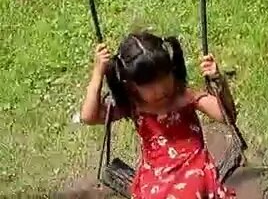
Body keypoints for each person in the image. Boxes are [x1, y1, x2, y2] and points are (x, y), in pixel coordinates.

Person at [80, 32, 238, 199]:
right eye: (150, 85)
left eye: (165, 77)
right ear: (132, 86)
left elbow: (226, 116)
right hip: (155, 176)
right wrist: (98, 74)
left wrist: (216, 79)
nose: (161, 89)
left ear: (172, 69)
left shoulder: (184, 98)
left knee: (190, 191)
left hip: (194, 167)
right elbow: (89, 117)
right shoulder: (135, 106)